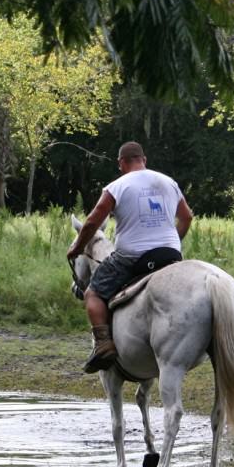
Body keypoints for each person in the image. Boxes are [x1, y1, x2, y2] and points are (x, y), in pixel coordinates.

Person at [66, 141, 193, 373]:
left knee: (93, 292)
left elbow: (93, 221)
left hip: (133, 257)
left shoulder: (116, 186)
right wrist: (173, 242)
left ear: (121, 163)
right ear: (143, 160)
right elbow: (186, 218)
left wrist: (77, 249)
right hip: (170, 254)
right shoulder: (169, 182)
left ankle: (103, 345)